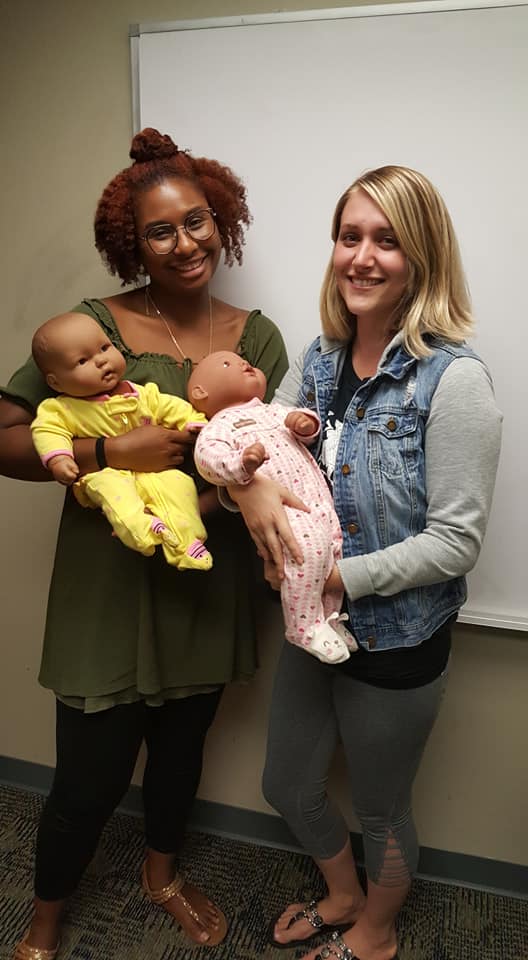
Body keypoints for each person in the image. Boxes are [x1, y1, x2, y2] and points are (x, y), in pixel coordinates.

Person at [0, 127, 288, 959]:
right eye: (160, 230)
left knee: (179, 756)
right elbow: (10, 434)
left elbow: (268, 450)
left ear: (221, 220)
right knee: (86, 780)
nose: (185, 242)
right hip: (105, 592)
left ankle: (161, 875)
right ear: (133, 240)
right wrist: (100, 454)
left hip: (204, 581)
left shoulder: (256, 335)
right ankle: (45, 916)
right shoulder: (90, 328)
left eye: (197, 221)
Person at [228, 165, 502, 960]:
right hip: (314, 631)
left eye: (387, 240)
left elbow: (456, 543)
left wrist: (333, 577)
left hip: (398, 640)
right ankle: (344, 894)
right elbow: (262, 451)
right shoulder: (318, 358)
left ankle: (376, 935)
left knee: (382, 812)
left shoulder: (454, 382)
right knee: (287, 783)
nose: (363, 256)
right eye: (350, 236)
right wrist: (248, 495)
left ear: (422, 258)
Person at [188, 350, 357, 664]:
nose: (241, 363)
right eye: (227, 363)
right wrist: (241, 467)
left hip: (314, 497)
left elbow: (305, 432)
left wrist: (304, 424)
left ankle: (330, 619)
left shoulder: (272, 410)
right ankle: (304, 627)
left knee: (335, 549)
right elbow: (208, 462)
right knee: (305, 554)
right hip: (283, 510)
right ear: (201, 392)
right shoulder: (218, 426)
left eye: (241, 359)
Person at [31, 311, 212, 570]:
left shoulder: (142, 393)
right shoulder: (61, 409)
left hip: (157, 472)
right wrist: (59, 457)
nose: (102, 361)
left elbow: (172, 408)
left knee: (179, 486)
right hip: (106, 474)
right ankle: (141, 530)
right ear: (55, 381)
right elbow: (47, 431)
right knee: (114, 492)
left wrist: (194, 423)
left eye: (105, 348)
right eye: (83, 360)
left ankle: (187, 542)